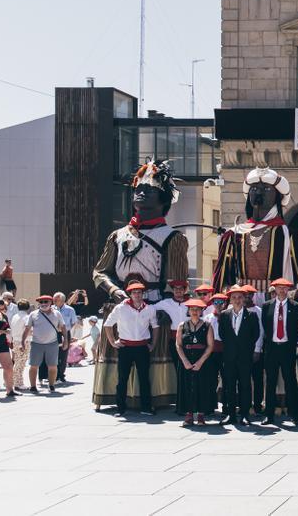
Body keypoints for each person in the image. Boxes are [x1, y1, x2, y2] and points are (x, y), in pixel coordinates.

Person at [91, 160, 189, 411]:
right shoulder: (117, 235)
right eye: (138, 189)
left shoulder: (173, 238)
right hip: (120, 305)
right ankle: (117, 398)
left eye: (151, 190)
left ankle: (155, 397)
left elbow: (176, 282)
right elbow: (100, 272)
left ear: (164, 200)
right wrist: (114, 290)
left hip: (155, 305)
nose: (141, 193)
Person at [212, 167, 298, 293]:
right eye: (254, 189)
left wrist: (286, 296)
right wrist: (232, 291)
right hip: (240, 303)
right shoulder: (233, 234)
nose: (258, 193)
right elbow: (221, 279)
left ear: (277, 197)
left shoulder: (289, 235)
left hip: (276, 303)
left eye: (266, 189)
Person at [103, 284, 155, 413]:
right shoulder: (120, 308)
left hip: (142, 347)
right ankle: (121, 408)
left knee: (144, 378)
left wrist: (153, 344)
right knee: (122, 378)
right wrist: (113, 343)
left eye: (139, 292)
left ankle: (146, 407)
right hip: (125, 347)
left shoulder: (149, 309)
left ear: (143, 294)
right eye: (134, 292)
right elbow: (108, 324)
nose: (137, 295)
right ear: (130, 294)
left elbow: (156, 327)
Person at [260, 278, 298, 426]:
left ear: (289, 290)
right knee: (270, 381)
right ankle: (269, 415)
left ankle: (294, 414)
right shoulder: (266, 306)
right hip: (272, 348)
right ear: (275, 289)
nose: (282, 291)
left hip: (287, 348)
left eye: (285, 288)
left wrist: (291, 344)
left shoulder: (296, 306)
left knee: (290, 381)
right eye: (279, 288)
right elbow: (265, 326)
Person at [218, 285, 262, 426]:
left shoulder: (252, 315)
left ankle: (244, 414)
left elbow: (255, 334)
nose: (237, 300)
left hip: (244, 356)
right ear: (230, 299)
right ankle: (230, 415)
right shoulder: (224, 315)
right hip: (229, 357)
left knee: (245, 386)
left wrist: (246, 348)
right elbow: (222, 334)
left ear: (244, 299)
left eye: (240, 297)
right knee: (229, 386)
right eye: (234, 297)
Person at [175, 298, 214, 426]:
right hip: (186, 359)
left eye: (197, 309)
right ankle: (189, 414)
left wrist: (200, 362)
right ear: (188, 311)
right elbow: (178, 345)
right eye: (192, 309)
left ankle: (201, 415)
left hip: (202, 360)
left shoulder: (207, 326)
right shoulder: (182, 326)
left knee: (202, 386)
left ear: (202, 310)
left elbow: (210, 346)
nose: (194, 311)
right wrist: (185, 361)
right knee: (187, 386)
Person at [22, 295, 65, 395]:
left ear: (51, 303)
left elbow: (63, 327)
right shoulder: (33, 314)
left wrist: (66, 341)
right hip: (37, 344)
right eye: (41, 302)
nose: (43, 304)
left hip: (52, 343)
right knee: (33, 366)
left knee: (53, 366)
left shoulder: (57, 314)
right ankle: (33, 386)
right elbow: (27, 328)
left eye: (46, 301)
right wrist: (22, 341)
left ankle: (51, 385)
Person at [49, 292, 78, 383]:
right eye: (53, 300)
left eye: (56, 300)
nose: (54, 301)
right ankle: (54, 375)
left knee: (64, 354)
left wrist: (67, 330)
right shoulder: (51, 309)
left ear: (62, 301)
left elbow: (74, 322)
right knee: (54, 354)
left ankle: (61, 375)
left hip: (65, 333)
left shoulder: (70, 310)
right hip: (53, 333)